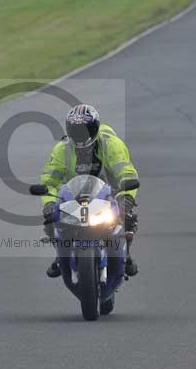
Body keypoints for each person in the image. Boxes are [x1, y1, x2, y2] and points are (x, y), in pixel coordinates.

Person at [39, 104, 139, 278]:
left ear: (95, 128)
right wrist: (49, 202)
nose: (80, 135)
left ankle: (126, 254)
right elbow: (49, 180)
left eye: (85, 130)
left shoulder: (111, 145)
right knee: (50, 219)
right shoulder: (62, 149)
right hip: (73, 195)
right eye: (76, 130)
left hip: (109, 193)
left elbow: (126, 171)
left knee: (127, 216)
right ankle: (60, 256)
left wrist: (126, 197)